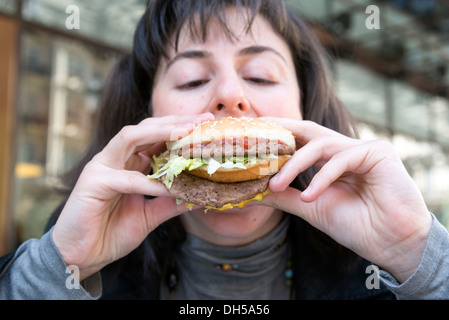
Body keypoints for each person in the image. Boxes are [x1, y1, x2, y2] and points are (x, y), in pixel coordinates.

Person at [1, 0, 448, 300]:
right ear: (144, 117)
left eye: (260, 75)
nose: (229, 95)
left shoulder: (376, 267)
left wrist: (419, 256)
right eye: (193, 79)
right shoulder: (83, 259)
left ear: (306, 111)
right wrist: (56, 271)